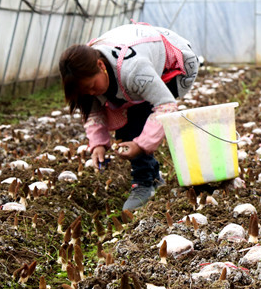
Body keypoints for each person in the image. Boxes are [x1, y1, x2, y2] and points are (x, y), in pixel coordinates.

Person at [59, 22, 199, 210]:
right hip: (133, 59)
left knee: (135, 118)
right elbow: (93, 110)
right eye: (86, 91)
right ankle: (152, 177)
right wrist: (98, 144)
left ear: (101, 66)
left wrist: (140, 145)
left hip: (173, 64)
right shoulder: (87, 69)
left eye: (92, 86)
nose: (91, 93)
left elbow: (166, 105)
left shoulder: (133, 70)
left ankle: (145, 182)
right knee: (126, 119)